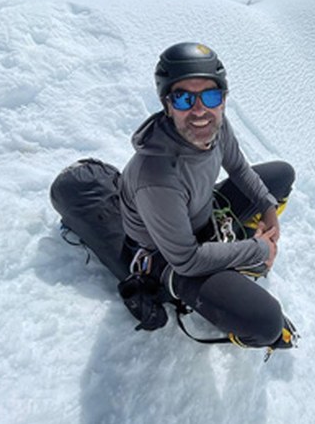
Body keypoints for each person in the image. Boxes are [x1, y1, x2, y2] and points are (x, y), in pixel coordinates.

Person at [118, 42, 296, 351]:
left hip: (199, 212)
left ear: (223, 100)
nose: (200, 110)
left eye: (211, 96)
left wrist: (267, 207)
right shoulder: (157, 176)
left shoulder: (216, 125)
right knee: (266, 323)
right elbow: (187, 259)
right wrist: (257, 249)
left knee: (281, 175)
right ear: (167, 104)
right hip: (170, 256)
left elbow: (239, 168)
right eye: (184, 98)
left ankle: (234, 254)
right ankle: (238, 305)